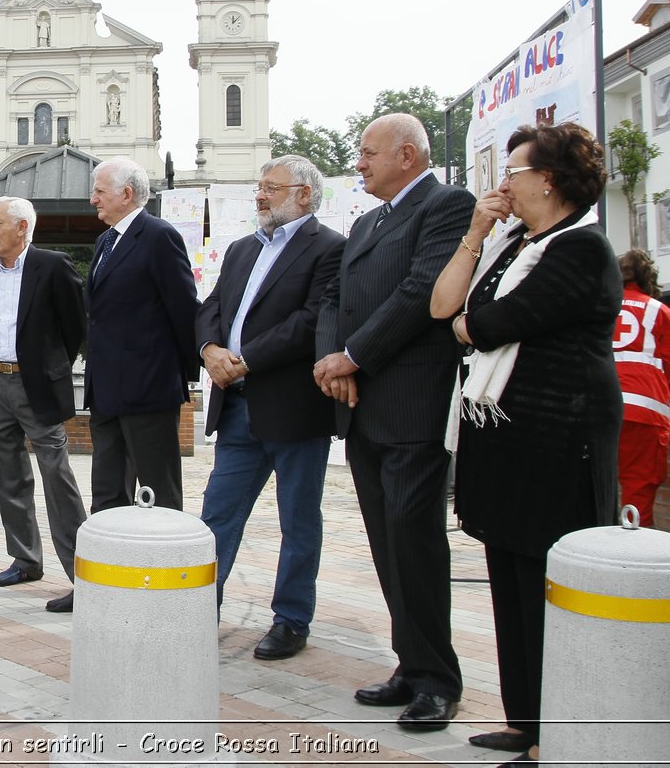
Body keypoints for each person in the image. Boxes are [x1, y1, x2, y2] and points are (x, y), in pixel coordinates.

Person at [431, 121, 622, 763]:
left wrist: (471, 326)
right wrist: (477, 233)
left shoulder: (580, 249)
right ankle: (525, 718)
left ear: (549, 178)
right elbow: (447, 309)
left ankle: (561, 723)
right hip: (505, 441)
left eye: (513, 170)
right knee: (509, 577)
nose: (503, 182)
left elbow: (494, 322)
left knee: (548, 579)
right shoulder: (513, 245)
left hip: (558, 443)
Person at [313, 113, 472, 730]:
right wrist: (336, 362)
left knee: (416, 542)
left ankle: (437, 678)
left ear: (407, 155)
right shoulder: (366, 221)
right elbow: (336, 298)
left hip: (411, 405)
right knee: (387, 545)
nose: (358, 163)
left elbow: (422, 290)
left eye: (367, 153)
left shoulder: (445, 205)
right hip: (361, 409)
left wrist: (355, 354)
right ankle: (411, 662)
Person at [197, 156, 344, 660]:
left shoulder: (329, 248)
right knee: (217, 515)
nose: (259, 196)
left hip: (293, 408)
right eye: (259, 188)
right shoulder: (241, 249)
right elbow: (211, 307)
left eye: (270, 188)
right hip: (236, 408)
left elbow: (311, 321)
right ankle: (197, 610)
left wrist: (246, 360)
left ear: (303, 194)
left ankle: (291, 619)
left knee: (298, 520)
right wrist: (209, 351)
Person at [0, 196, 88, 613]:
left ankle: (83, 575)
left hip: (36, 385)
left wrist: (50, 367)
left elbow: (76, 326)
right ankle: (25, 559)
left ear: (22, 228)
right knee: (7, 475)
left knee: (57, 476)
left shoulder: (54, 265)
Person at [83, 156, 197, 511]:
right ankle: (109, 565)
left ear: (126, 194)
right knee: (106, 494)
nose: (93, 199)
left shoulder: (159, 236)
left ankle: (162, 565)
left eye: (100, 191)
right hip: (105, 391)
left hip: (148, 390)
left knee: (157, 493)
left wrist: (185, 375)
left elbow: (184, 308)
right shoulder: (105, 241)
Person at [612, 249, 670, 528]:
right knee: (638, 486)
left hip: (597, 405)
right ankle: (634, 553)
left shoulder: (599, 306)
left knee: (590, 485)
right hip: (645, 410)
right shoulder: (662, 312)